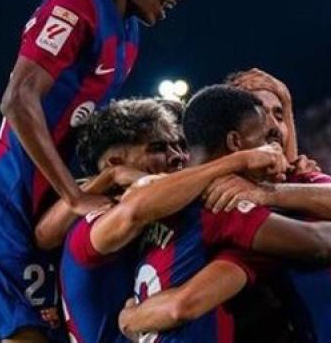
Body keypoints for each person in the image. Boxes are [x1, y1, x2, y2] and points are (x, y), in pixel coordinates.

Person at [0, 0, 207, 342]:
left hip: (47, 201)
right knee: (29, 336)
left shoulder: (129, 33)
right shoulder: (76, 2)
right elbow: (17, 100)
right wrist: (74, 195)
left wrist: (108, 176)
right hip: (4, 199)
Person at [120, 71, 331, 343]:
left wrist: (131, 317)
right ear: (236, 139)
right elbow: (319, 241)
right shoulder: (235, 209)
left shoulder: (296, 187)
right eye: (262, 122)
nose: (273, 130)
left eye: (279, 115)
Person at [47, 98, 287, 342]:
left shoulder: (167, 217)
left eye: (180, 146)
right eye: (158, 148)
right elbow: (134, 212)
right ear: (116, 163)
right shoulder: (91, 225)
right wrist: (238, 160)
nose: (177, 156)